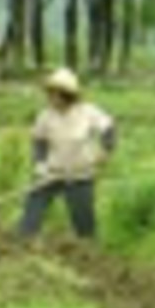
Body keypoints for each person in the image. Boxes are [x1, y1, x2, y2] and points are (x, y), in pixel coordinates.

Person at [18, 67, 117, 242]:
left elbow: (109, 129)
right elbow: (39, 142)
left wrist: (106, 150)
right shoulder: (45, 116)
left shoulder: (87, 112)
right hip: (52, 173)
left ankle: (88, 253)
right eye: (50, 93)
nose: (52, 98)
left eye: (56, 93)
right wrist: (40, 165)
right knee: (32, 208)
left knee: (84, 225)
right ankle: (23, 243)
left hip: (80, 174)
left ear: (67, 94)